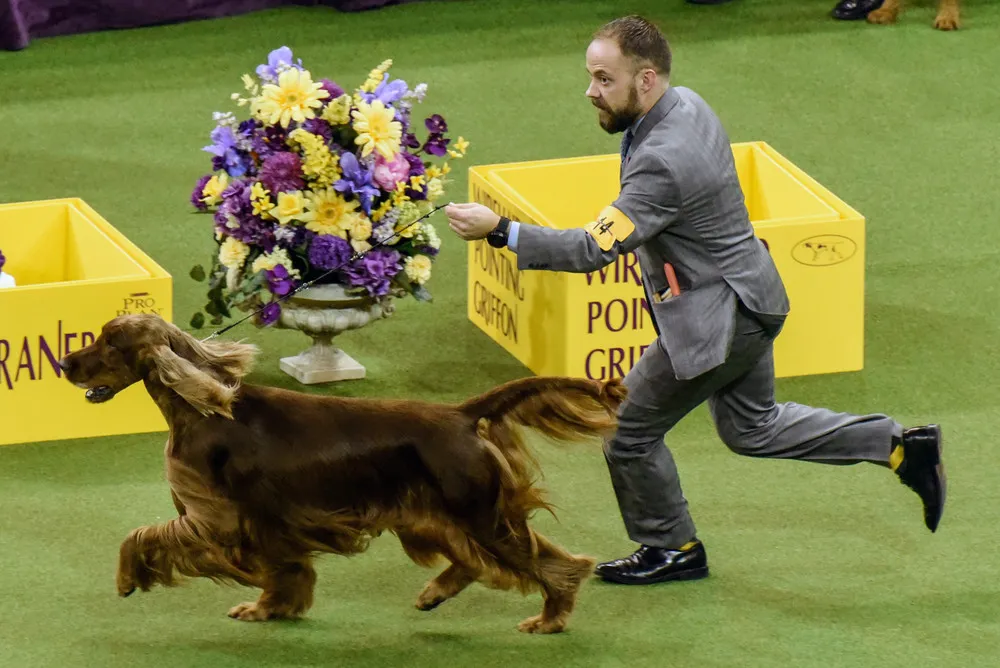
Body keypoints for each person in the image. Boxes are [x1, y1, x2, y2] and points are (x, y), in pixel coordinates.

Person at [445, 15, 945, 586]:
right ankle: (901, 447)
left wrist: (499, 230)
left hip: (721, 320)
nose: (591, 91)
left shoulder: (665, 160)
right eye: (591, 77)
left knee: (626, 429)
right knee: (752, 428)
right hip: (753, 295)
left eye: (604, 80)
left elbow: (590, 249)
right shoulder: (685, 103)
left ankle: (672, 546)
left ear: (648, 78)